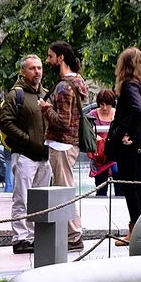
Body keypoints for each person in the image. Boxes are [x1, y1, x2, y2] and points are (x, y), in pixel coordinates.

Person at [104, 47, 141, 245]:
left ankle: (135, 232)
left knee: (130, 188)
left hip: (130, 144)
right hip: (139, 142)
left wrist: (122, 133)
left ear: (123, 66)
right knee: (134, 187)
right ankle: (137, 230)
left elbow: (138, 112)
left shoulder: (129, 86)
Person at [0, 55, 51, 254]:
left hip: (44, 156)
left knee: (40, 200)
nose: (37, 71)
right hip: (24, 156)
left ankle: (33, 236)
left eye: (39, 68)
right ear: (23, 72)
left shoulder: (46, 94)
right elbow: (6, 122)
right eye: (32, 68)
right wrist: (27, 139)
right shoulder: (16, 95)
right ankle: (20, 238)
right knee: (22, 198)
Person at [43, 41, 89, 250]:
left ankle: (73, 236)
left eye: (50, 56)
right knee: (65, 189)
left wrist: (46, 108)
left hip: (62, 145)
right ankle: (71, 234)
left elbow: (62, 121)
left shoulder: (63, 86)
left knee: (64, 191)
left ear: (61, 58)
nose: (48, 61)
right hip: (71, 144)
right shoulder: (78, 81)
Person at [87, 89, 117, 195]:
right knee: (101, 186)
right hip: (99, 156)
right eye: (102, 104)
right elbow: (86, 131)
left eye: (108, 105)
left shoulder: (118, 114)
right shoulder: (92, 114)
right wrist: (95, 137)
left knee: (118, 174)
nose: (104, 108)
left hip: (115, 153)